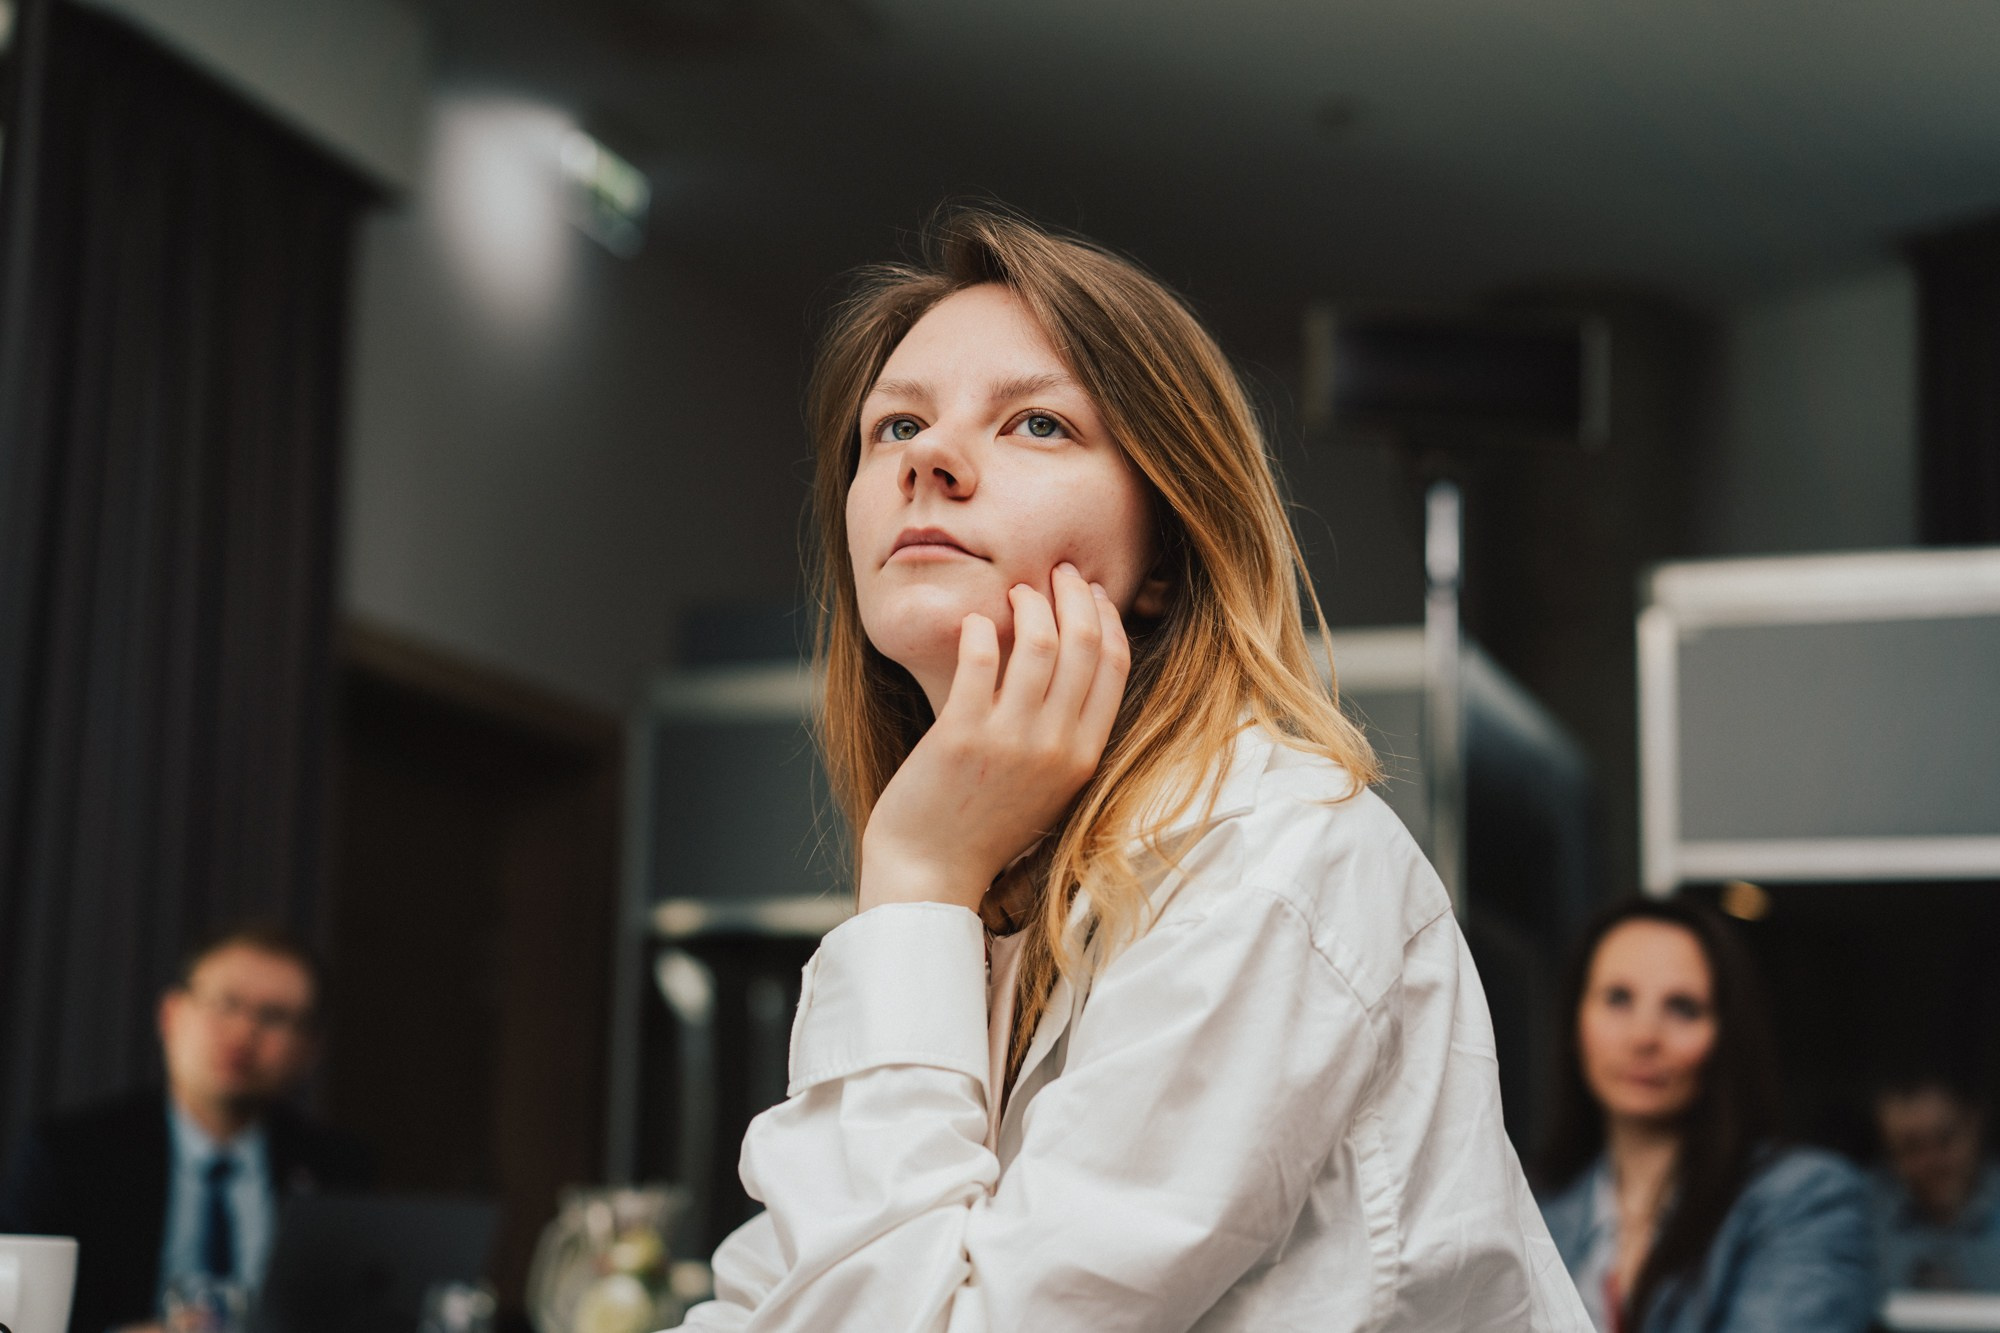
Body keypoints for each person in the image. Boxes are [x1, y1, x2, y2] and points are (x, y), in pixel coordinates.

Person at [670, 206, 1587, 1331]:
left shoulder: (1269, 858)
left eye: (1037, 425)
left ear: (1164, 557)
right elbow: (795, 1294)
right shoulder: (995, 884)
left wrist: (912, 874)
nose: (928, 461)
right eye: (893, 425)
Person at [0, 921, 370, 1333]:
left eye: (275, 1016)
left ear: (309, 1051)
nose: (243, 1032)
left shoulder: (338, 1168)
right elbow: (16, 1315)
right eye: (226, 1003)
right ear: (171, 1014)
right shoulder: (70, 1155)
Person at [1535, 897, 1877, 1332]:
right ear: (1574, 1022)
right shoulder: (1537, 1204)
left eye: (1683, 1008)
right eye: (1618, 998)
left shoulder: (1807, 1200)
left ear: (1726, 1037)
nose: (1644, 1036)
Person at [1872, 1071, 2000, 1291]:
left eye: (1944, 1139)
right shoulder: (1861, 1218)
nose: (1932, 1162)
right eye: (1911, 1147)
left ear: (1974, 1126)